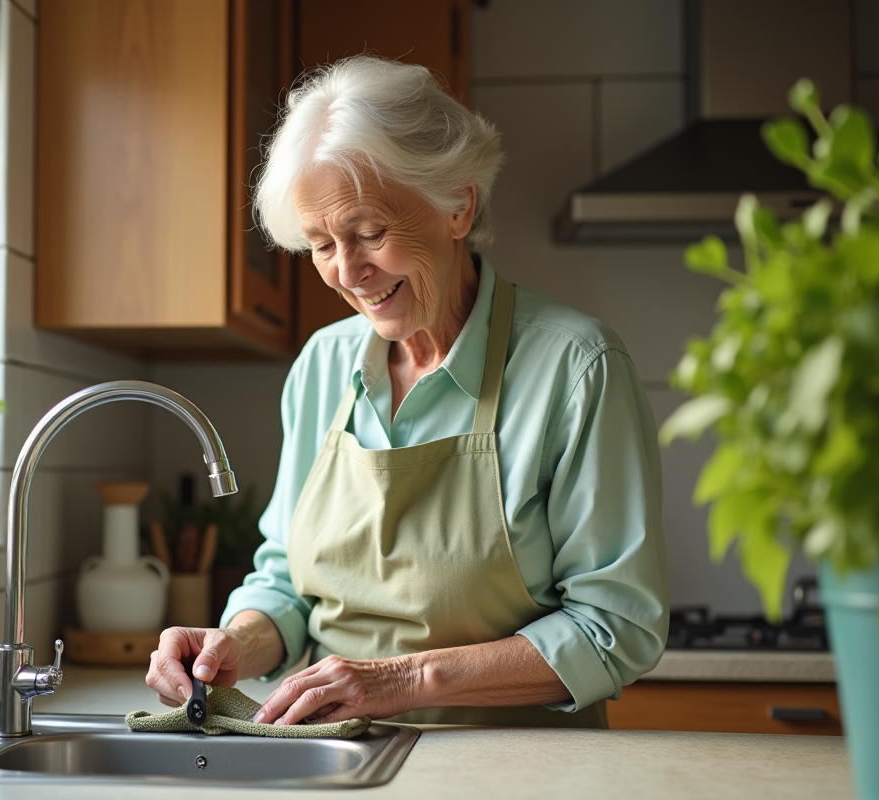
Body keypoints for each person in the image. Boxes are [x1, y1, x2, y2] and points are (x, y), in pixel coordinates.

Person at [146, 56, 668, 728]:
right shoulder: (322, 364)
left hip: (518, 765)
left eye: (370, 233)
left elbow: (616, 627)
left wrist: (404, 679)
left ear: (458, 205)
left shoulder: (576, 367)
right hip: (332, 752)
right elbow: (287, 584)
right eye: (321, 245)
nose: (347, 272)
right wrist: (234, 644)